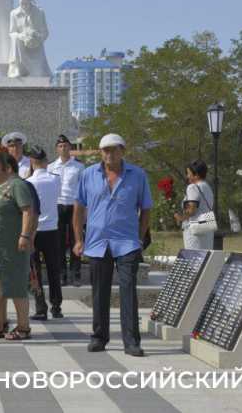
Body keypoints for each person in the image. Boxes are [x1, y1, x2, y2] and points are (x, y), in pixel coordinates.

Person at [73, 133, 152, 357]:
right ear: (100, 153)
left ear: (123, 151)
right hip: (97, 242)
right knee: (99, 291)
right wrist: (79, 239)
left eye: (114, 149)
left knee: (128, 290)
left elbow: (146, 208)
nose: (110, 154)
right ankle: (99, 337)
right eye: (105, 150)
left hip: (127, 242)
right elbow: (78, 209)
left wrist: (139, 236)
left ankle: (131, 341)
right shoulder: (88, 175)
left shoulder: (137, 175)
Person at [0, 146, 35, 341]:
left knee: (16, 285)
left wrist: (25, 236)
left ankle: (23, 327)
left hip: (11, 245)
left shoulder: (17, 185)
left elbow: (28, 212)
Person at [26, 146, 64, 321]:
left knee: (35, 271)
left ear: (32, 162)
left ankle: (41, 306)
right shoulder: (55, 179)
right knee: (53, 269)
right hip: (52, 229)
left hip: (34, 231)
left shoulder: (28, 182)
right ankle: (56, 306)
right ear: (45, 162)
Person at [48, 134, 84, 286]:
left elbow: (83, 188)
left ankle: (75, 273)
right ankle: (62, 273)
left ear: (70, 147)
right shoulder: (50, 167)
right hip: (57, 205)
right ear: (57, 149)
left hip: (74, 205)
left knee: (77, 239)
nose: (63, 148)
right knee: (59, 242)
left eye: (66, 146)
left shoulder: (79, 166)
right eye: (60, 146)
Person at [7, 0, 52, 78]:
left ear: (30, 0)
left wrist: (36, 37)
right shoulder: (14, 14)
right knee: (15, 39)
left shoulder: (39, 12)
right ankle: (17, 69)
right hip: (21, 44)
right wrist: (22, 36)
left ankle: (36, 70)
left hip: (36, 44)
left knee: (39, 75)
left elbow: (45, 32)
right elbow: (12, 32)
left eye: (26, 2)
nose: (24, 5)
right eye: (21, 3)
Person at [173, 160, 215, 250]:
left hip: (195, 230)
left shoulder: (192, 187)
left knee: (194, 258)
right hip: (207, 227)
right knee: (205, 257)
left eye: (189, 173)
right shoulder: (207, 187)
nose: (187, 176)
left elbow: (192, 210)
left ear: (196, 175)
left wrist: (180, 218)